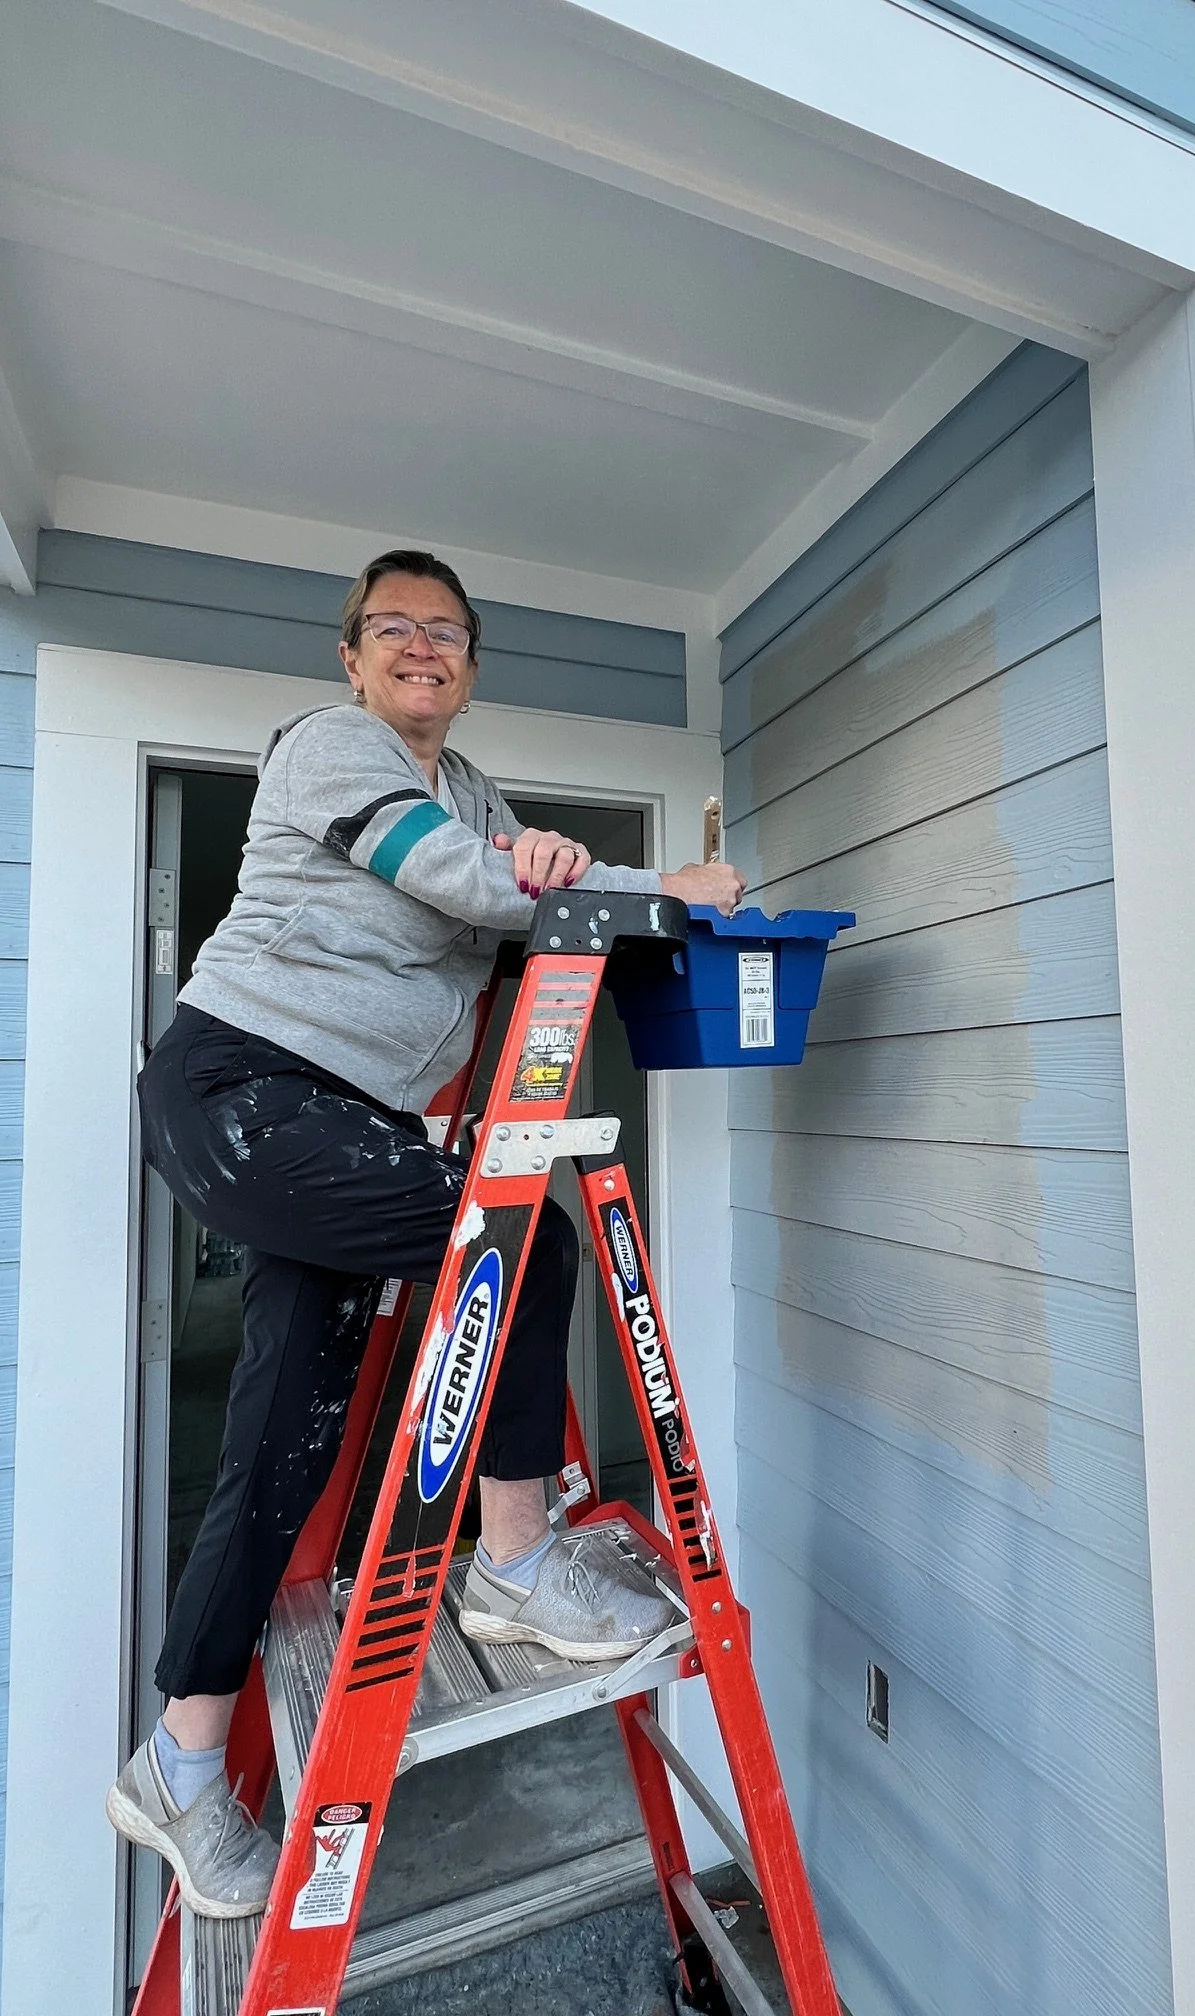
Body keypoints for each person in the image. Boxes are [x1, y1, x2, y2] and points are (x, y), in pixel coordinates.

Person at [105, 549, 745, 1918]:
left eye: (445, 631)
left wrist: (568, 868)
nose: (419, 646)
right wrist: (670, 885)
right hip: (246, 1089)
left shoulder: (473, 795)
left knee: (277, 1452)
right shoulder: (330, 748)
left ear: (469, 662)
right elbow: (465, 886)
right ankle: (514, 1564)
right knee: (526, 1248)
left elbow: (519, 898)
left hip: (347, 1124)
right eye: (391, 627)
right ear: (350, 657)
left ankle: (180, 1760)